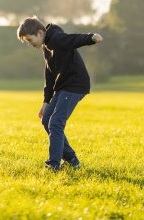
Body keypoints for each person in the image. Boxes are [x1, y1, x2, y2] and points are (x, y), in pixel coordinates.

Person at [16, 16, 103, 172]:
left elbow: (73, 39)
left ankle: (53, 165)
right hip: (63, 87)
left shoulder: (56, 38)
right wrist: (45, 102)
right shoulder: (46, 47)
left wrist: (91, 37)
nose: (30, 44)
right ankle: (72, 160)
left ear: (40, 32)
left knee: (55, 123)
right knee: (46, 120)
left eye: (30, 40)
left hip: (75, 85)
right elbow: (49, 75)